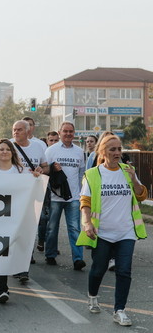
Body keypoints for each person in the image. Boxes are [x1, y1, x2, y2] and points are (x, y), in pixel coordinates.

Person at [77, 135, 147, 326]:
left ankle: (120, 310)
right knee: (98, 269)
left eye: (119, 149)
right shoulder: (92, 174)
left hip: (126, 232)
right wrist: (87, 222)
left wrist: (134, 180)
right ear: (103, 152)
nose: (117, 153)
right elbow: (85, 202)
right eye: (112, 150)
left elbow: (141, 196)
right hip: (103, 232)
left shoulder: (128, 171)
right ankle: (92, 296)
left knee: (124, 271)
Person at [0, 139, 40, 303]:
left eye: (8, 149)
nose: (5, 152)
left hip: (17, 218)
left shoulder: (20, 171)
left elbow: (33, 191)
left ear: (12, 152)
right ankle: (2, 289)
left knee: (14, 250)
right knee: (0, 253)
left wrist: (36, 178)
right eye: (1, 149)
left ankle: (21, 271)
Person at [10, 120, 49, 282]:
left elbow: (46, 167)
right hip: (13, 195)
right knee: (15, 231)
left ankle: (23, 266)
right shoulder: (8, 145)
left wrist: (41, 170)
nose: (16, 132)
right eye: (14, 129)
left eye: (19, 130)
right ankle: (15, 263)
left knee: (28, 230)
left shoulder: (38, 146)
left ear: (27, 131)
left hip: (32, 195)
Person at [44, 122, 86, 270]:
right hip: (56, 196)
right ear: (60, 133)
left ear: (74, 133)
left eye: (71, 131)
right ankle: (50, 254)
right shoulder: (51, 150)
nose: (68, 134)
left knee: (75, 228)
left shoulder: (80, 152)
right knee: (52, 227)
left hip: (73, 197)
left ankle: (78, 259)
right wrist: (52, 169)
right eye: (65, 131)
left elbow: (82, 173)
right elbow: (45, 171)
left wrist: (81, 194)